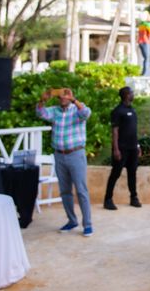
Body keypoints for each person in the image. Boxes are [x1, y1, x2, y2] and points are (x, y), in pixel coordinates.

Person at [36, 88, 93, 237]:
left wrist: (74, 100)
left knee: (81, 190)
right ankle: (72, 220)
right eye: (60, 96)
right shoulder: (54, 111)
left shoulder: (77, 110)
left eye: (65, 96)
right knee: (65, 191)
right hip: (59, 155)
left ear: (70, 97)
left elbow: (86, 113)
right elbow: (40, 113)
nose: (62, 98)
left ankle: (87, 224)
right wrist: (43, 99)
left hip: (76, 154)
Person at [104, 86, 142, 210]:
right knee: (116, 173)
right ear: (126, 95)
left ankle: (133, 197)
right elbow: (114, 131)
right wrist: (116, 149)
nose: (133, 94)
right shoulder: (117, 111)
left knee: (132, 173)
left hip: (132, 148)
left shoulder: (132, 110)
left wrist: (137, 146)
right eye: (131, 93)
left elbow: (134, 131)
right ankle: (108, 199)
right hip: (121, 149)